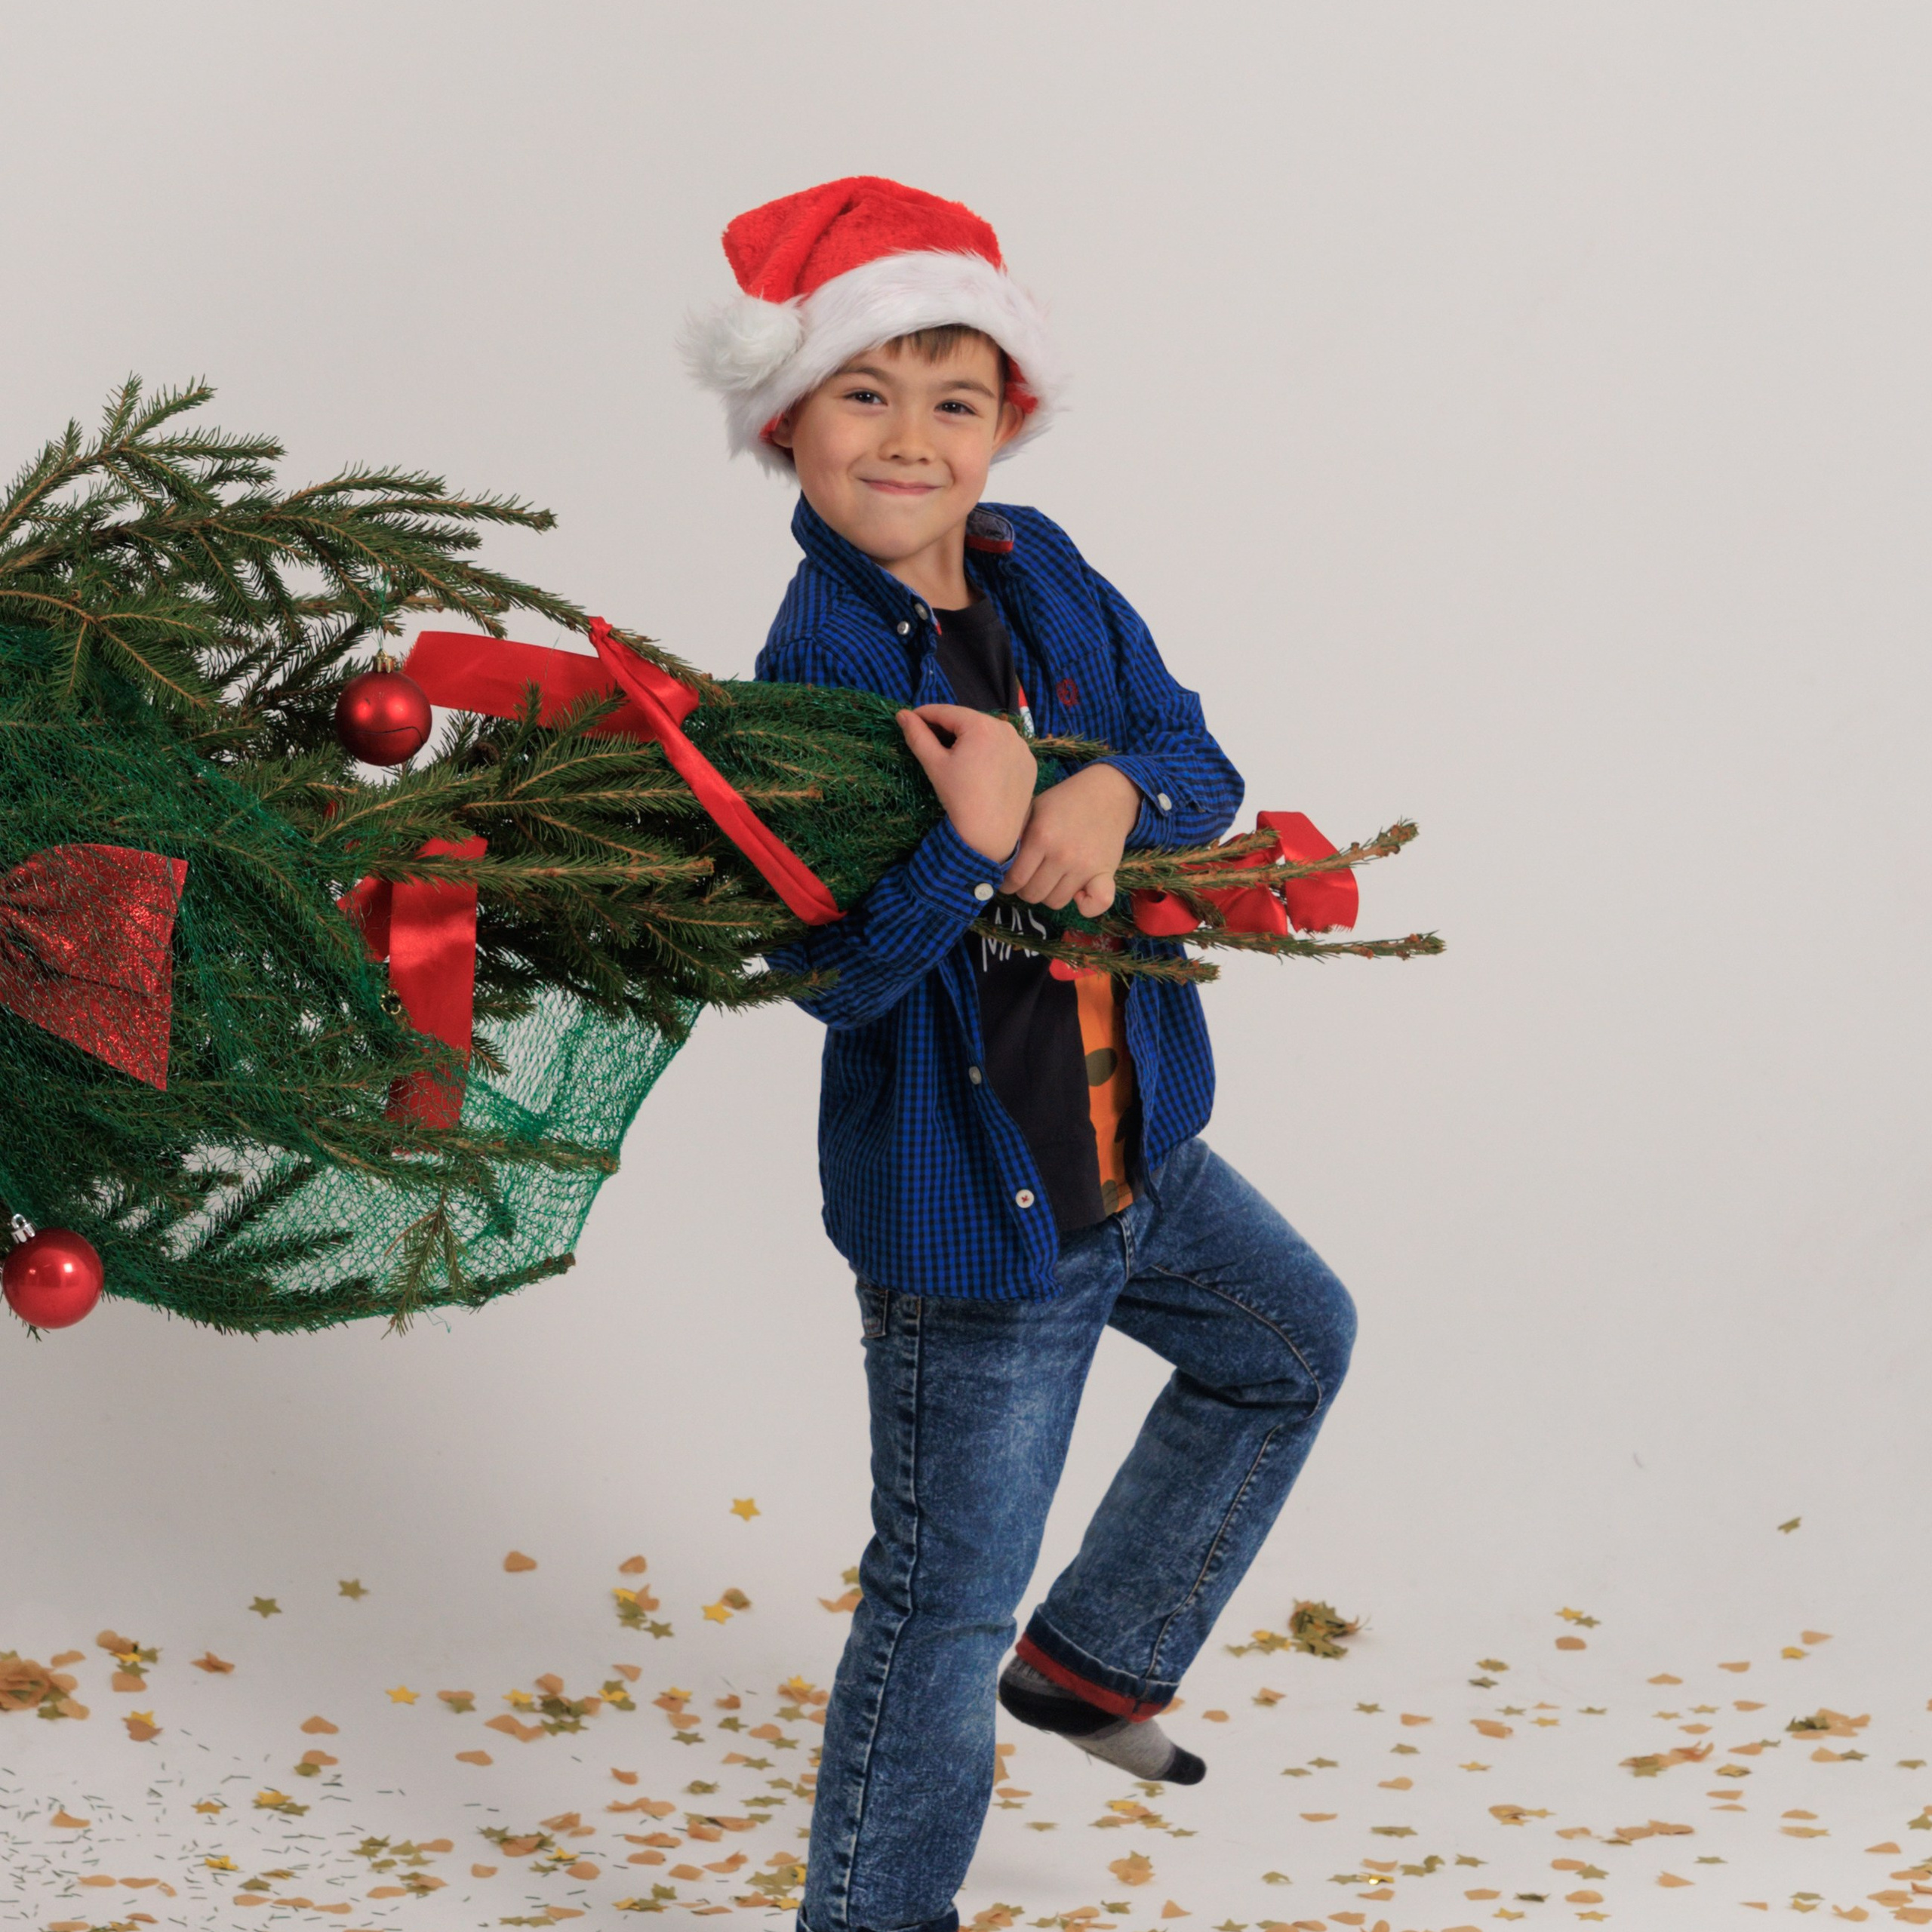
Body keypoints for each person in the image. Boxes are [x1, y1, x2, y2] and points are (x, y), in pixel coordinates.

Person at [686, 176, 1358, 1932]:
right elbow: (827, 972)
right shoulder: (811, 673)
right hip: (977, 1225)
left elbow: (1191, 751)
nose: (908, 439)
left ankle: (1097, 1656)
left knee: (1290, 1341)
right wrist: (971, 840)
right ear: (788, 418)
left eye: (952, 398)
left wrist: (1109, 786)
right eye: (863, 393)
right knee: (938, 1595)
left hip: (1141, 1150)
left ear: (1004, 422)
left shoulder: (1038, 566)